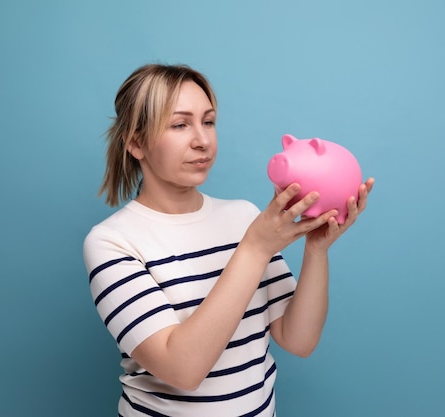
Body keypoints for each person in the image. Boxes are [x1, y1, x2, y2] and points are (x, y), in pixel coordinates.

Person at [83, 63, 375, 417]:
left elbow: (298, 340)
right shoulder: (112, 241)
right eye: (179, 124)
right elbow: (182, 370)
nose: (202, 140)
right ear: (136, 143)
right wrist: (254, 248)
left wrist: (316, 250)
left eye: (208, 121)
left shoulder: (243, 217)